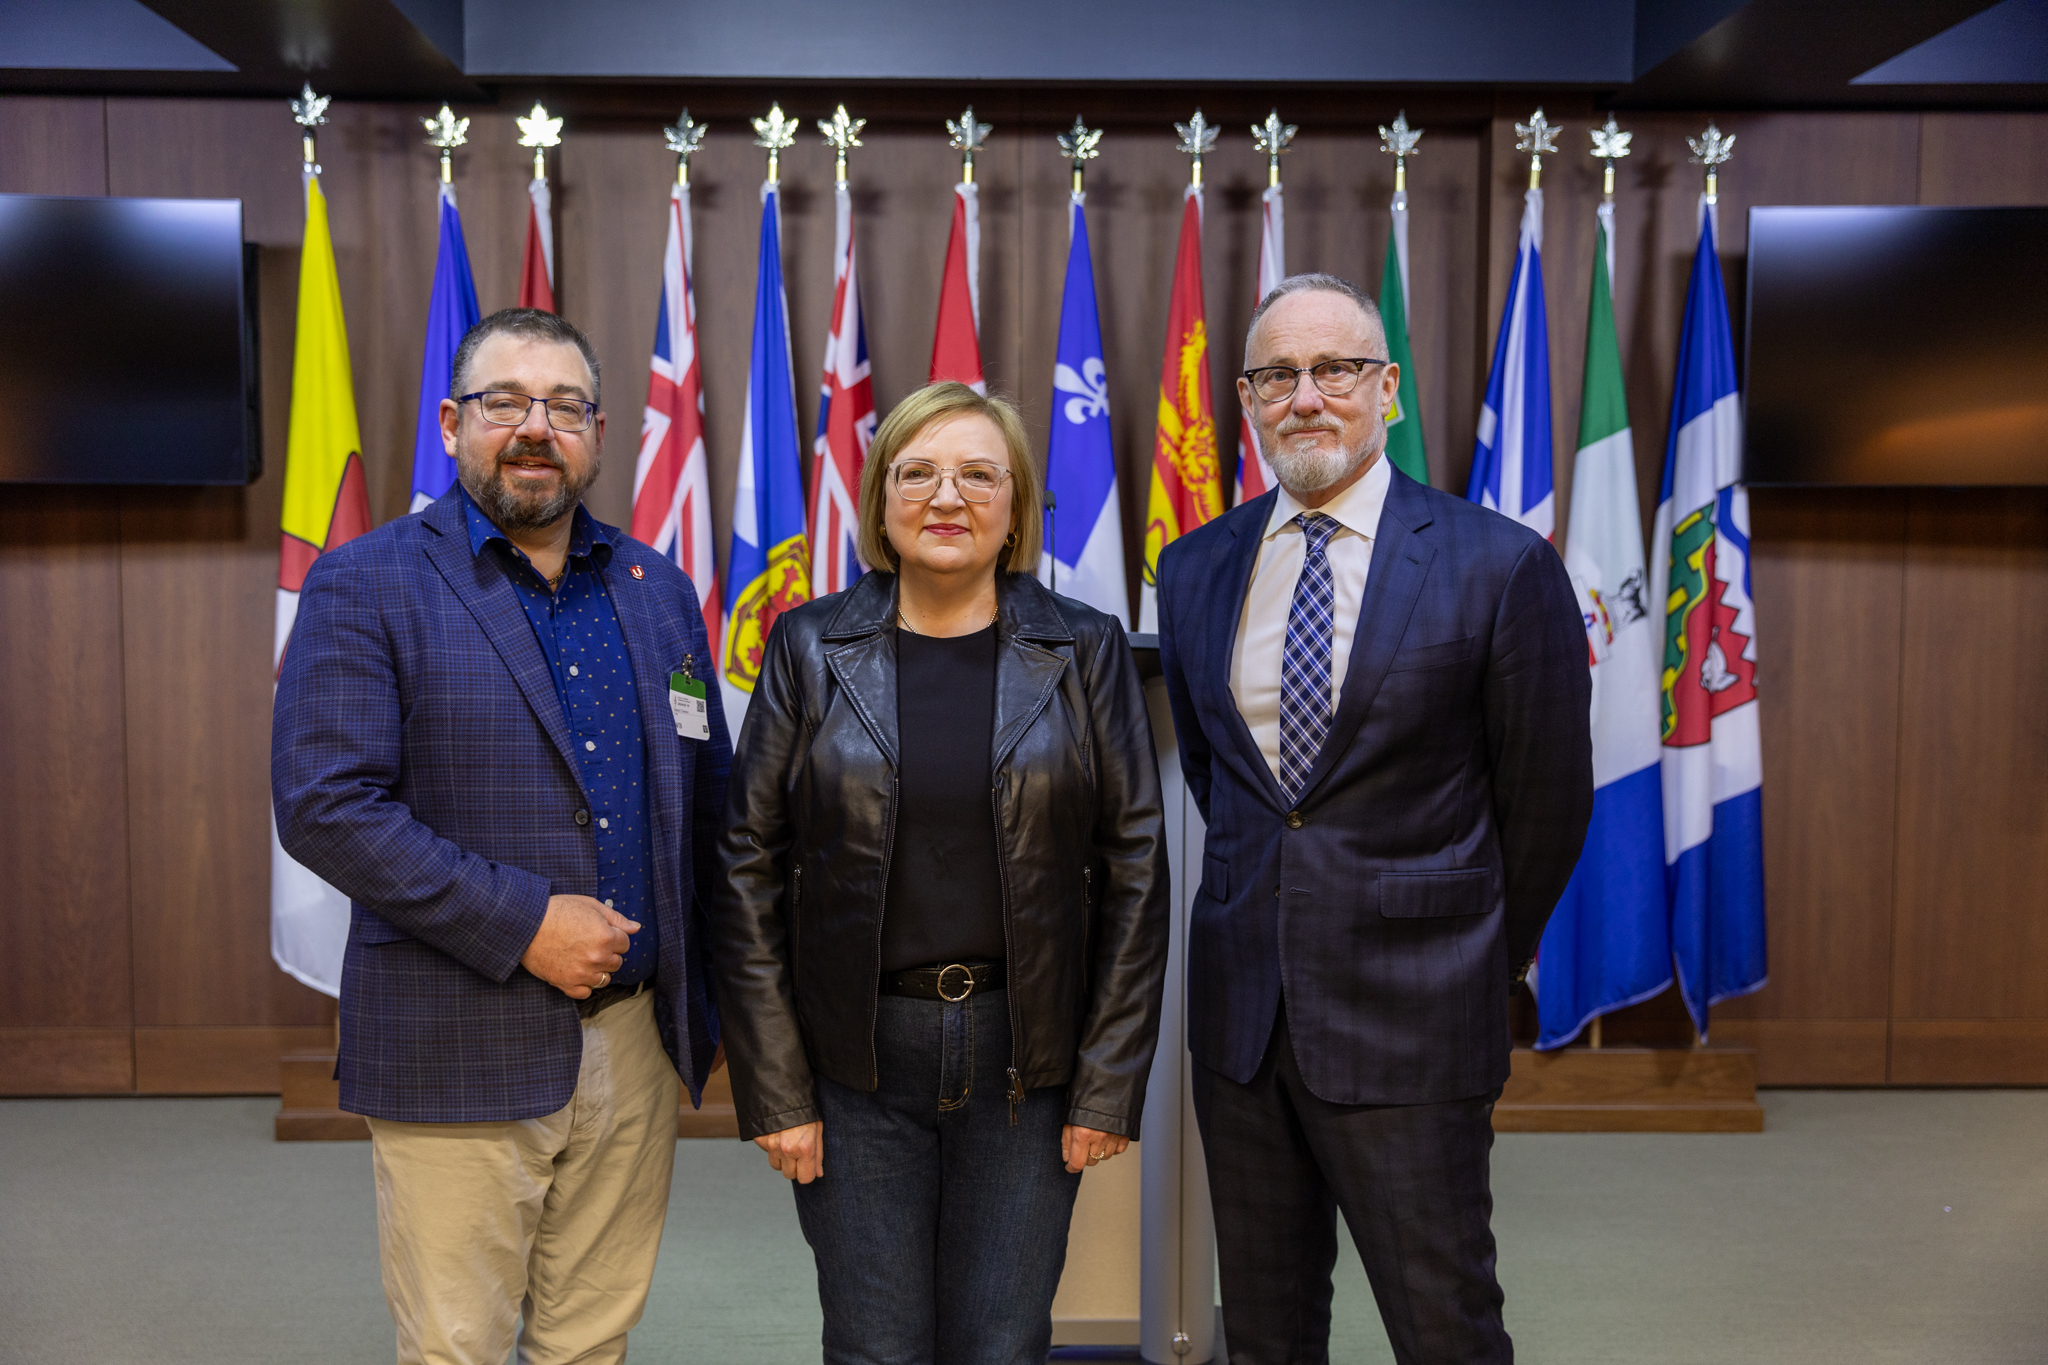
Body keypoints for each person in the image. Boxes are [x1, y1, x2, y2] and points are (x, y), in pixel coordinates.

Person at [272, 308, 731, 1365]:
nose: (536, 427)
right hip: (456, 1034)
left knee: (590, 1342)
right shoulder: (365, 582)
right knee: (456, 1348)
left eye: (565, 407)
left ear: (601, 434)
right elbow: (326, 805)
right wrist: (525, 922)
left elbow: (704, 790)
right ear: (451, 423)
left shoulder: (654, 589)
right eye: (505, 403)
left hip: (636, 1042)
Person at [1156, 274, 1593, 1365]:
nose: (1305, 397)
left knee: (1441, 1323)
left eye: (1335, 369)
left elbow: (1544, 800)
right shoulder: (1194, 566)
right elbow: (1227, 785)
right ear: (1247, 398)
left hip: (1415, 1015)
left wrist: (1471, 954)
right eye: (1275, 376)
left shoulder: (1498, 565)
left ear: (1385, 388)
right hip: (1243, 1024)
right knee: (1263, 1331)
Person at [714, 381, 1168, 1365]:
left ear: (1013, 506)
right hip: (852, 1059)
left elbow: (1134, 870)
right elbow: (746, 864)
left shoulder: (1081, 649)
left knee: (999, 1344)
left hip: (1026, 1058)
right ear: (881, 499)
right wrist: (775, 1085)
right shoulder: (808, 646)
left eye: (976, 474)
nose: (945, 496)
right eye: (916, 472)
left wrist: (1105, 1086)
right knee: (875, 1345)